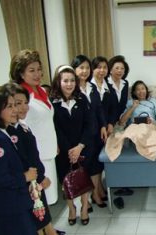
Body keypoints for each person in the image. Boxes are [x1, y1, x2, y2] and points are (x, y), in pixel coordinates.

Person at [0, 86, 37, 235]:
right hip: (10, 207)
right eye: (9, 106)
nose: (15, 110)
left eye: (15, 105)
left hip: (10, 204)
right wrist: (25, 176)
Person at [5, 83, 60, 235]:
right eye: (16, 104)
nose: (23, 108)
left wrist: (41, 176)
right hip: (26, 184)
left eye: (25, 103)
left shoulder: (22, 127)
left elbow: (33, 156)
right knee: (35, 222)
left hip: (34, 182)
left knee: (42, 217)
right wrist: (40, 177)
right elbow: (23, 161)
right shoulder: (7, 133)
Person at [9, 49, 58, 205]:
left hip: (48, 150)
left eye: (38, 69)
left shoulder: (42, 91)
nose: (37, 74)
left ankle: (48, 228)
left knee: (48, 198)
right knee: (38, 200)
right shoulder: (20, 96)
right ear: (21, 74)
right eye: (31, 70)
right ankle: (44, 229)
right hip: (34, 155)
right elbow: (17, 127)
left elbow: (46, 120)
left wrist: (54, 143)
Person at [50, 65, 94, 225]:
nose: (69, 84)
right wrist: (70, 150)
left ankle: (83, 207)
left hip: (83, 147)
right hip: (63, 151)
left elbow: (90, 125)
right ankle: (71, 209)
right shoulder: (52, 103)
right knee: (66, 180)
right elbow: (55, 129)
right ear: (58, 82)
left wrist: (80, 146)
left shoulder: (82, 99)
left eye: (72, 81)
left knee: (83, 178)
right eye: (65, 81)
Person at [71, 54, 107, 209]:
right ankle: (89, 198)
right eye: (81, 68)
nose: (84, 71)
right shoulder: (72, 89)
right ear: (74, 70)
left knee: (97, 164)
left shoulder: (92, 87)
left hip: (96, 132)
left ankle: (96, 192)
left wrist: (103, 126)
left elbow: (99, 109)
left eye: (87, 68)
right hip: (82, 135)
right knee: (85, 167)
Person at [107, 55, 133, 198]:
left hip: (120, 121)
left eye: (122, 68)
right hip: (108, 123)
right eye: (117, 68)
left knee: (122, 151)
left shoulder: (125, 83)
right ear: (110, 70)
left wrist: (122, 120)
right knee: (112, 151)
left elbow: (122, 105)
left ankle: (123, 183)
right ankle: (114, 182)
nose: (119, 70)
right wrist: (111, 123)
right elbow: (106, 107)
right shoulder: (105, 83)